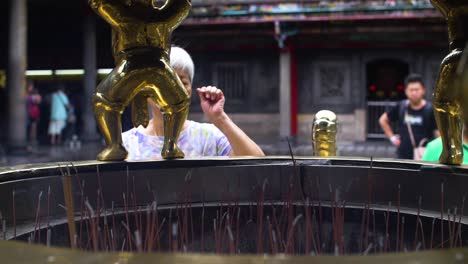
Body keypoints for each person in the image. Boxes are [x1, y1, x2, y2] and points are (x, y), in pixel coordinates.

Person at [122, 47, 265, 160]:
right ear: (146, 91)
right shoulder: (126, 144)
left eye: (182, 82)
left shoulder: (208, 136)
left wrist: (219, 117)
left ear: (189, 91)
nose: (173, 89)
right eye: (162, 81)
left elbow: (258, 163)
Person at [379, 74, 439, 160]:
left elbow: (438, 134)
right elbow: (383, 120)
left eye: (417, 89)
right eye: (411, 90)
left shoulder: (430, 109)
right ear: (406, 91)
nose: (414, 93)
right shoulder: (401, 106)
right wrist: (392, 138)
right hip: (403, 156)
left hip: (424, 156)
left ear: (423, 90)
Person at [26, 82, 42, 149]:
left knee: (33, 127)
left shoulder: (31, 96)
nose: (31, 88)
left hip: (33, 113)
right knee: (32, 127)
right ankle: (31, 140)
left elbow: (38, 102)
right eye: (30, 87)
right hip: (30, 113)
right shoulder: (28, 95)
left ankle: (32, 140)